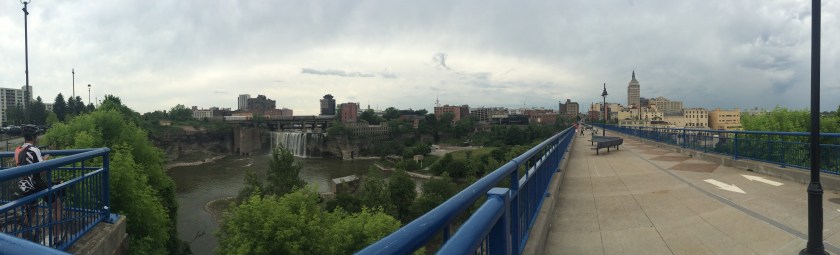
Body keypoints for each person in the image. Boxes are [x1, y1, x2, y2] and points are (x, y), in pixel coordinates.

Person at [13, 124, 63, 244]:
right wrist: (45, 159)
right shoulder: (35, 150)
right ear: (34, 137)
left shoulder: (18, 150)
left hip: (22, 185)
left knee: (31, 210)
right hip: (35, 184)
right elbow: (42, 170)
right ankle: (57, 237)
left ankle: (25, 239)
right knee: (57, 205)